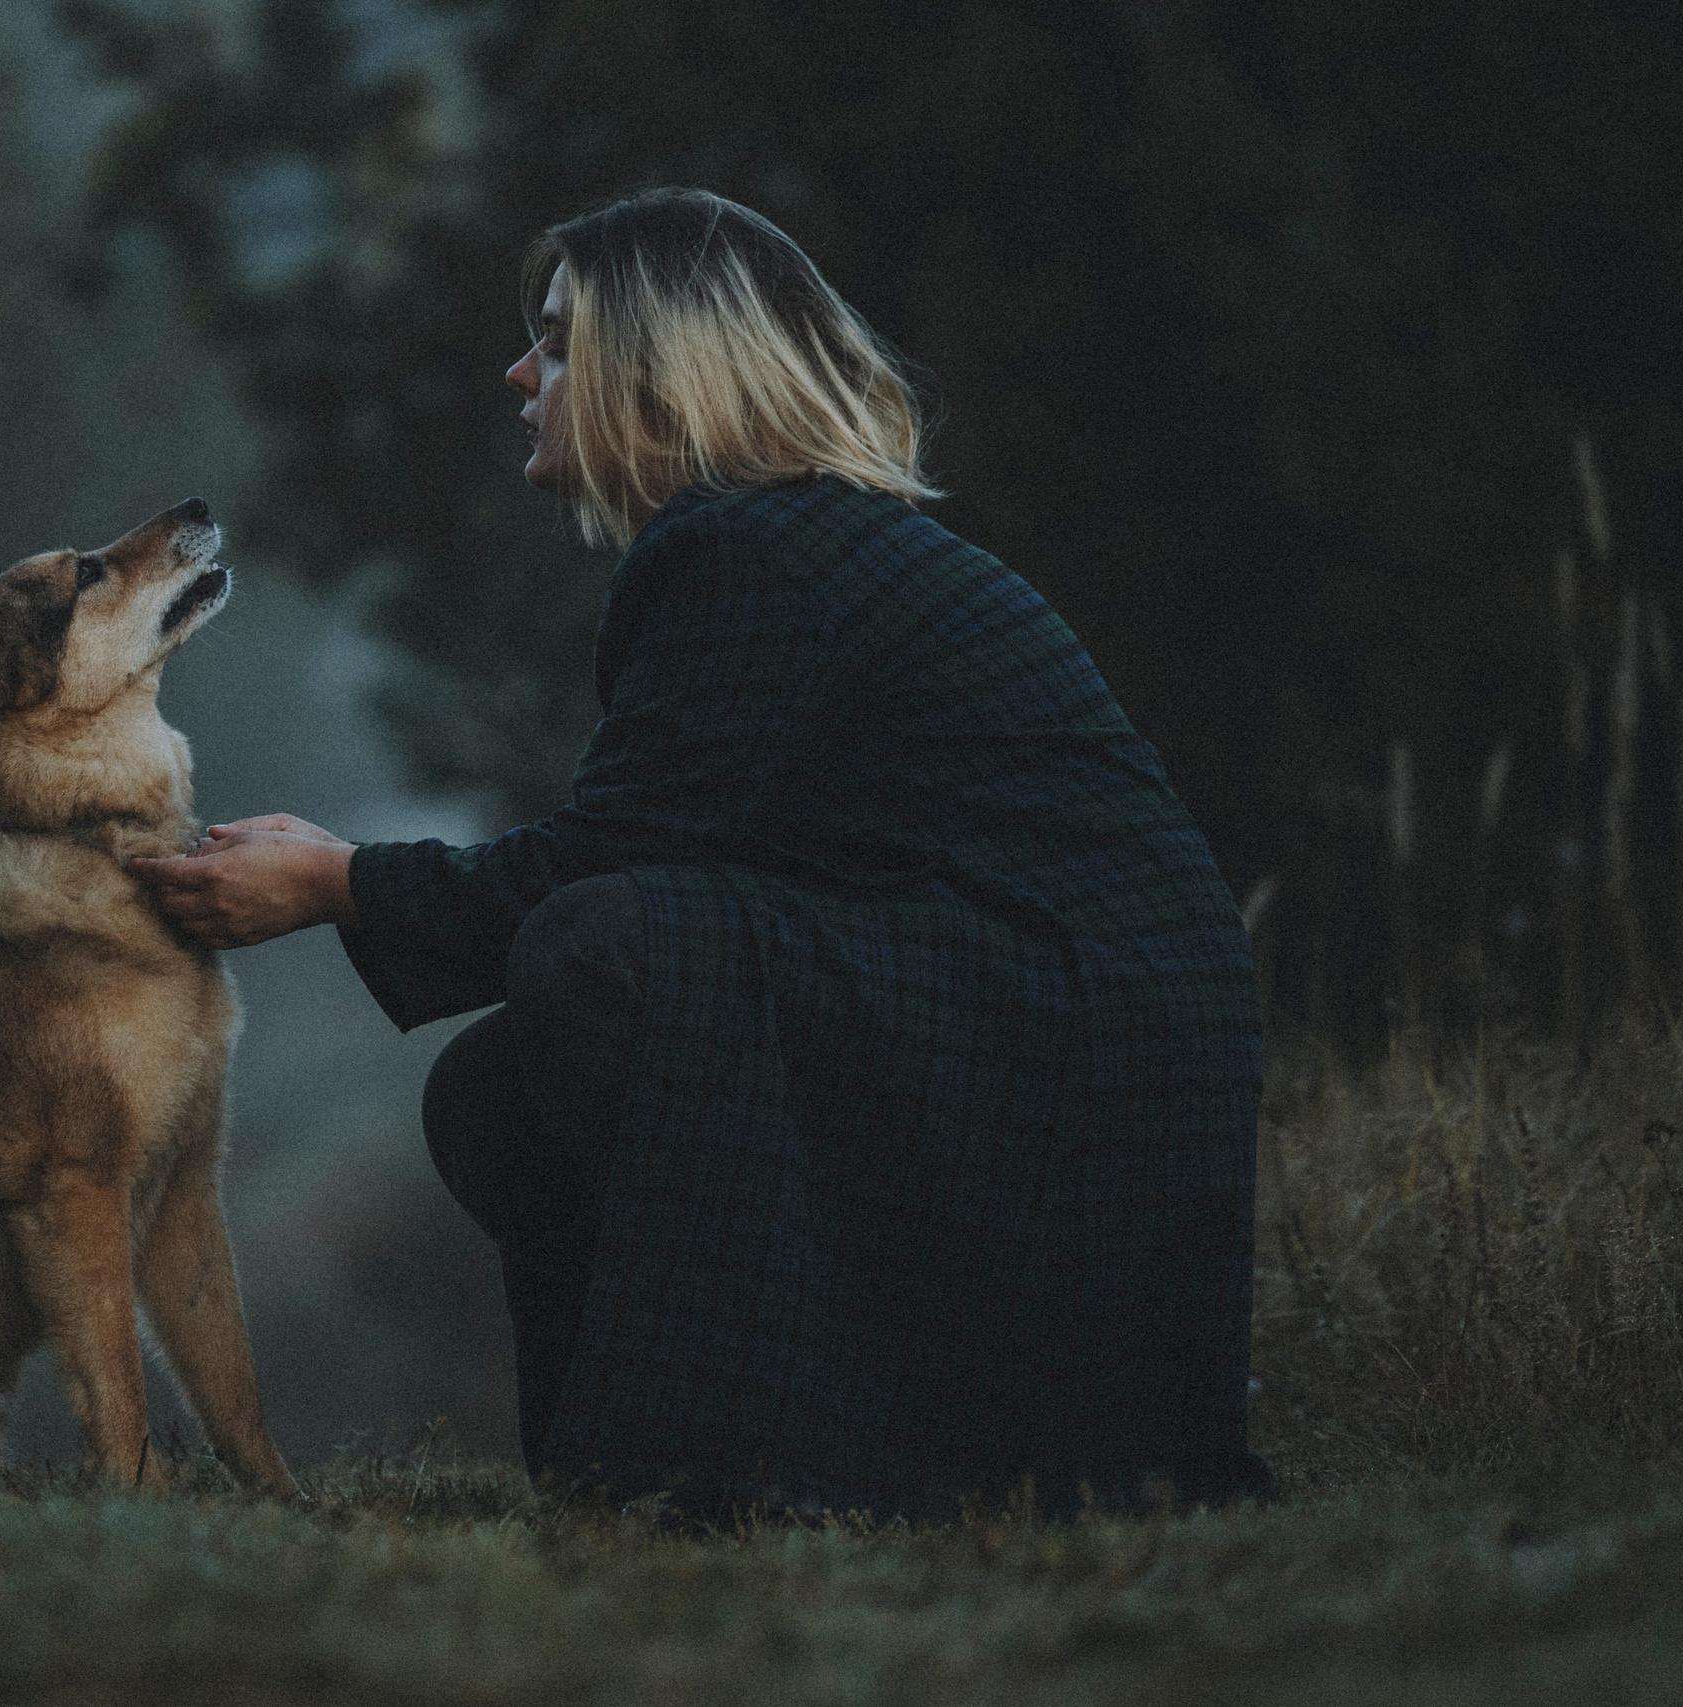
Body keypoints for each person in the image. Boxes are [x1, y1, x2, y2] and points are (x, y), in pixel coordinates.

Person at [130, 188, 1271, 1520]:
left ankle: (743, 1470)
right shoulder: (791, 542)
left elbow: (605, 868)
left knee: (600, 955)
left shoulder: (747, 552)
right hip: (1063, 1019)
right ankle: (647, 1480)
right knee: (500, 1086)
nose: (520, 371)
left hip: (1060, 1030)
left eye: (554, 342)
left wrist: (339, 883)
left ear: (658, 369)